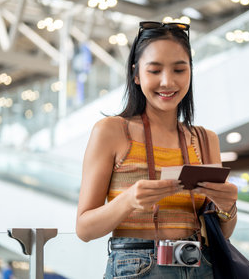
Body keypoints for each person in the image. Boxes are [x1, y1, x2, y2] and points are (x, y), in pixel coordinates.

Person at [76, 21, 238, 278]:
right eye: (154, 70)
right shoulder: (112, 131)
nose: (167, 81)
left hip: (200, 265)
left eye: (179, 70)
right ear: (136, 74)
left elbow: (222, 232)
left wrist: (228, 207)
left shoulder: (206, 140)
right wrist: (129, 200)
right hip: (137, 267)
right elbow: (84, 229)